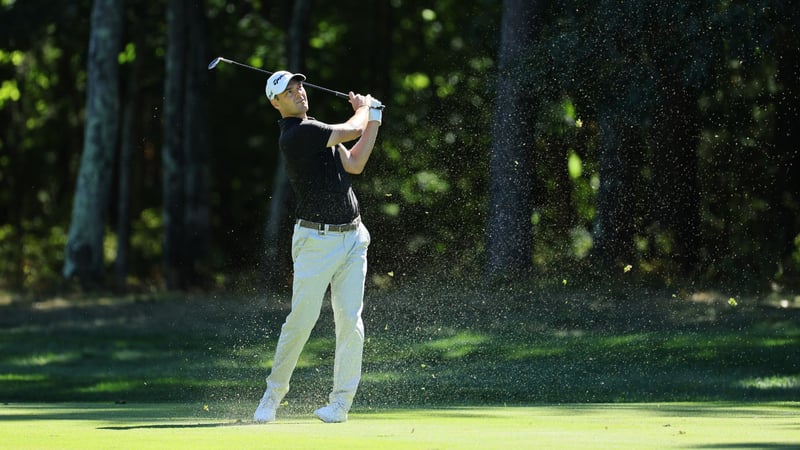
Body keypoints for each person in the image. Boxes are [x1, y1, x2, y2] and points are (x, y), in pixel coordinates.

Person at [253, 70, 382, 424]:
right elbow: (353, 128)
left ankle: (340, 404)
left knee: (350, 323)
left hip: (353, 238)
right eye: (289, 92)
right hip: (316, 242)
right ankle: (272, 396)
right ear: (275, 102)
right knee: (302, 320)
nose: (299, 93)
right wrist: (365, 110)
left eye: (300, 87)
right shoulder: (296, 135)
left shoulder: (317, 131)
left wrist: (375, 120)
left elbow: (355, 163)